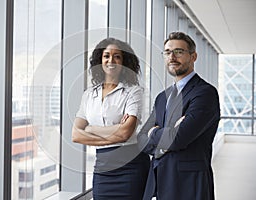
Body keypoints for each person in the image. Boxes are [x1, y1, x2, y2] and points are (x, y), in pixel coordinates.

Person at [137, 31, 220, 200]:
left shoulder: (205, 93)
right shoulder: (162, 97)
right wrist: (167, 136)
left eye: (179, 52)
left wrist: (155, 134)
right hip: (159, 181)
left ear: (193, 56)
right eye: (167, 52)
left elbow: (179, 138)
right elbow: (141, 140)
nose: (172, 57)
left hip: (189, 184)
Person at [72, 38, 150, 200]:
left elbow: (125, 134)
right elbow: (76, 135)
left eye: (117, 56)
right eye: (106, 56)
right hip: (103, 169)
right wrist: (114, 131)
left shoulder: (133, 92)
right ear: (100, 60)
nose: (111, 60)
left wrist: (91, 130)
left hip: (131, 168)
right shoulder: (89, 95)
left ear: (124, 62)